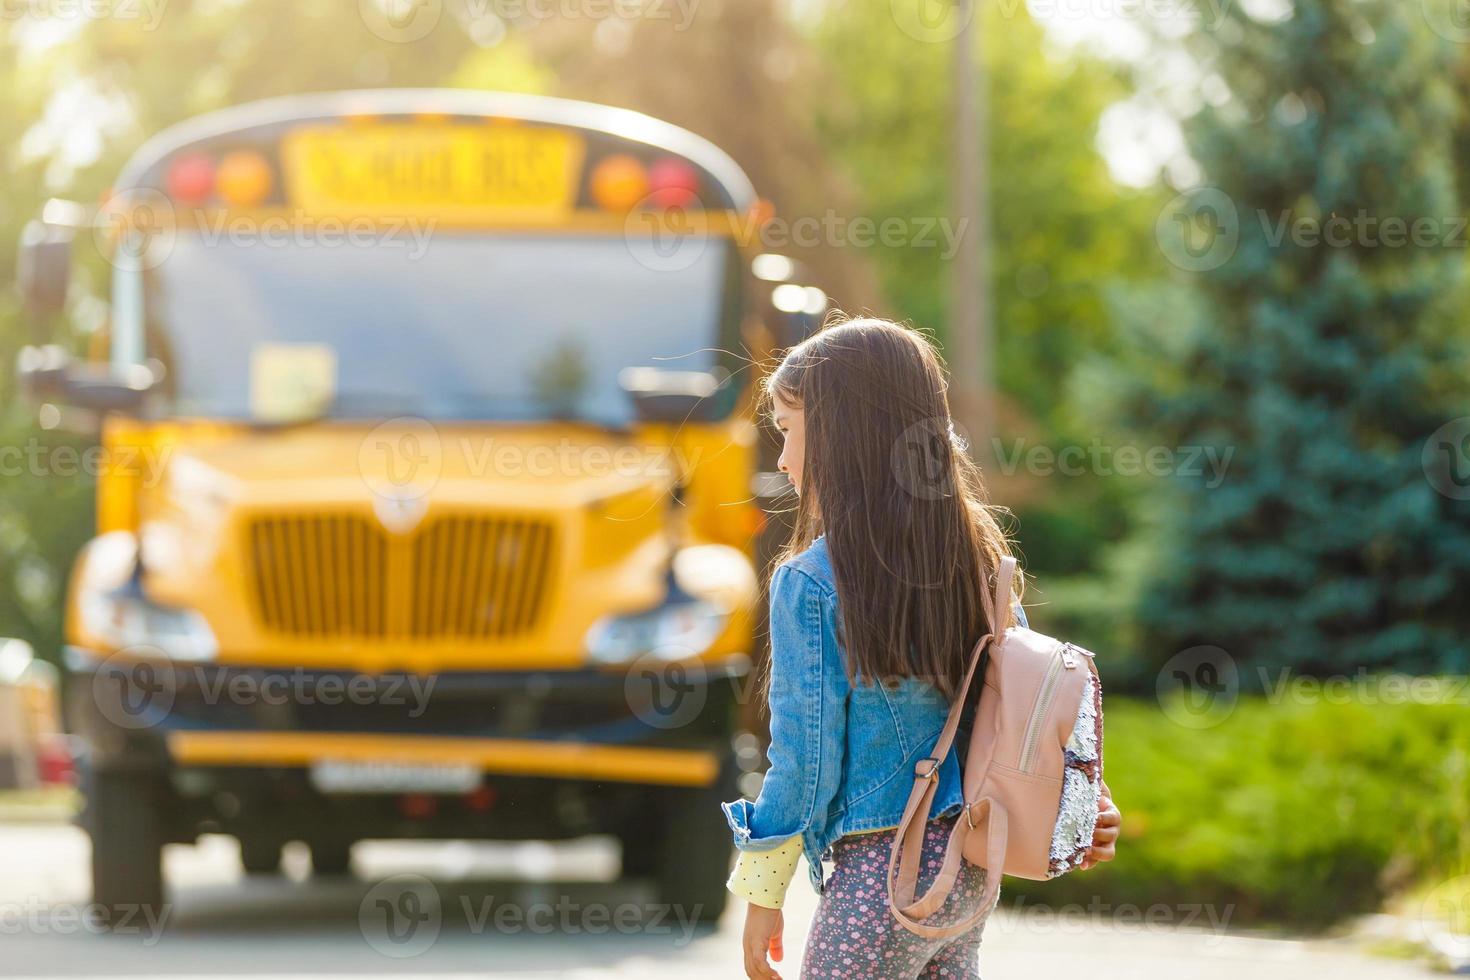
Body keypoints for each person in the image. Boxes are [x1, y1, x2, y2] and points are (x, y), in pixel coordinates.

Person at [721, 317, 1121, 979]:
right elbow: (1023, 704)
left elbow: (804, 760)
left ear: (846, 432)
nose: (782, 458)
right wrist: (1087, 800)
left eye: (789, 430)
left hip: (879, 880)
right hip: (967, 869)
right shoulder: (979, 560)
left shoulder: (811, 581)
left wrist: (761, 894)